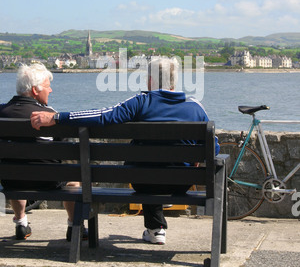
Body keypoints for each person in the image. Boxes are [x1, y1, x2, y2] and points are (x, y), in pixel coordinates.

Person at [31, 57, 219, 245]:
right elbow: (214, 149)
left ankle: (156, 228)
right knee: (162, 163)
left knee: (146, 162)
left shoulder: (140, 103)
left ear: (150, 80)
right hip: (180, 184)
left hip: (144, 182)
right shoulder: (196, 108)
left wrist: (58, 117)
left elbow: (103, 116)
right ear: (174, 81)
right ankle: (156, 228)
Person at [0, 63, 84, 241]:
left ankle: (21, 223)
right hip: (47, 181)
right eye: (47, 86)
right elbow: (68, 153)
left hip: (10, 180)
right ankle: (73, 226)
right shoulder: (49, 115)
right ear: (35, 90)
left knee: (15, 167)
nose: (51, 90)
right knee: (73, 177)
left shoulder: (1, 112)